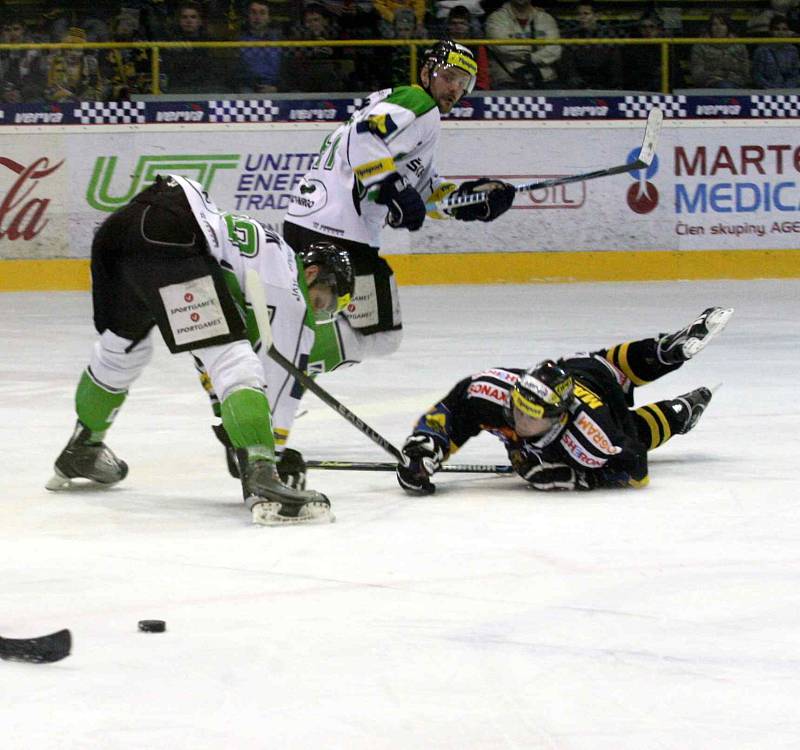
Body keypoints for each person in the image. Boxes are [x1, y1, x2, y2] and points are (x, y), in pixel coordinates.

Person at [45, 174, 354, 527]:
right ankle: (263, 479)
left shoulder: (263, 258)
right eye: (323, 302)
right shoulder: (289, 288)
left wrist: (230, 421)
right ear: (312, 273)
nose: (317, 312)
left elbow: (204, 344)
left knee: (122, 350)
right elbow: (278, 381)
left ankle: (82, 447)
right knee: (234, 361)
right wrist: (270, 455)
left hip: (121, 233)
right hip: (170, 237)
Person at [282, 40, 516, 374]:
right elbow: (363, 138)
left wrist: (470, 200)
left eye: (463, 83)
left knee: (311, 316)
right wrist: (389, 187)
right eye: (449, 76)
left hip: (307, 222)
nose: (455, 88)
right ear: (426, 72)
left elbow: (421, 188)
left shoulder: (403, 108)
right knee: (381, 335)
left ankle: (283, 365)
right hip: (341, 233)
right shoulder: (420, 104)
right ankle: (290, 370)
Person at [396, 307, 734, 494]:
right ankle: (670, 367)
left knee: (632, 432)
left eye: (533, 419)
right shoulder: (497, 392)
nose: (520, 422)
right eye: (519, 410)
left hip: (603, 407)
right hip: (573, 373)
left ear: (559, 418)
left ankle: (676, 401)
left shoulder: (590, 439)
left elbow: (635, 469)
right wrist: (426, 448)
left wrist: (580, 479)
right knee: (607, 363)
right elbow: (456, 409)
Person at [484, 0, 562, 89]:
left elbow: (554, 49)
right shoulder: (496, 18)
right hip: (508, 81)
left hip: (545, 79)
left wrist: (530, 58)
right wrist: (536, 54)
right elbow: (501, 47)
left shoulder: (545, 18)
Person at [562, 1, 623, 90]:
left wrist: (615, 85)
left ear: (596, 16)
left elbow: (615, 64)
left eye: (586, 14)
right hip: (579, 86)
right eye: (579, 14)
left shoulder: (608, 35)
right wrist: (578, 84)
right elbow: (569, 64)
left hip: (605, 84)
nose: (581, 17)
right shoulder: (571, 36)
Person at [162, 1, 216, 94]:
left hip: (204, 88)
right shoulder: (170, 41)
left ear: (200, 21)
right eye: (184, 17)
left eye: (193, 17)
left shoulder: (210, 42)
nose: (189, 21)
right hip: (177, 88)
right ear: (179, 21)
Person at [689, 13, 750, 89]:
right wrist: (715, 77)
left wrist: (728, 77)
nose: (718, 27)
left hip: (736, 83)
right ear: (710, 27)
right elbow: (697, 74)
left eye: (722, 24)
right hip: (709, 84)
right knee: (724, 86)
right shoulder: (700, 46)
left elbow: (745, 73)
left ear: (728, 27)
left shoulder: (739, 46)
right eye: (714, 24)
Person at [44, 26, 106, 102]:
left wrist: (75, 97)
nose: (73, 54)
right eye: (69, 49)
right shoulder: (56, 62)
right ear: (64, 50)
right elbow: (49, 90)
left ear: (83, 52)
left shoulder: (91, 63)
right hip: (61, 104)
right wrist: (60, 94)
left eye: (77, 50)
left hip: (84, 106)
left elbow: (98, 90)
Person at [237, 0, 282, 93]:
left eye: (262, 13)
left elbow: (289, 70)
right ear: (248, 16)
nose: (257, 17)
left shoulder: (281, 41)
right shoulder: (237, 41)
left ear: (269, 17)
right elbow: (234, 72)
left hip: (276, 88)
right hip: (247, 87)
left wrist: (278, 88)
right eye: (253, 13)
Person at [0, 17, 45, 102]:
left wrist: (21, 93)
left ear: (23, 30)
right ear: (2, 32)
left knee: (37, 101)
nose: (12, 33)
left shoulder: (33, 49)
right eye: (7, 30)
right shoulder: (2, 49)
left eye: (16, 29)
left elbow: (39, 80)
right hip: (4, 93)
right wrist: (4, 93)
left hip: (28, 94)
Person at [752, 14, 800, 88]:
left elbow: (796, 74)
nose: (781, 32)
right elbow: (757, 75)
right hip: (767, 90)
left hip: (789, 90)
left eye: (784, 29)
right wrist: (771, 88)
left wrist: (786, 88)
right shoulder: (762, 51)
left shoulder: (793, 50)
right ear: (771, 31)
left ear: (788, 32)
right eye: (777, 29)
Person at [623, 10, 665, 92]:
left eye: (651, 27)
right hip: (638, 90)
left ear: (658, 29)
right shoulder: (632, 48)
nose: (647, 30)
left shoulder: (665, 47)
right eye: (644, 27)